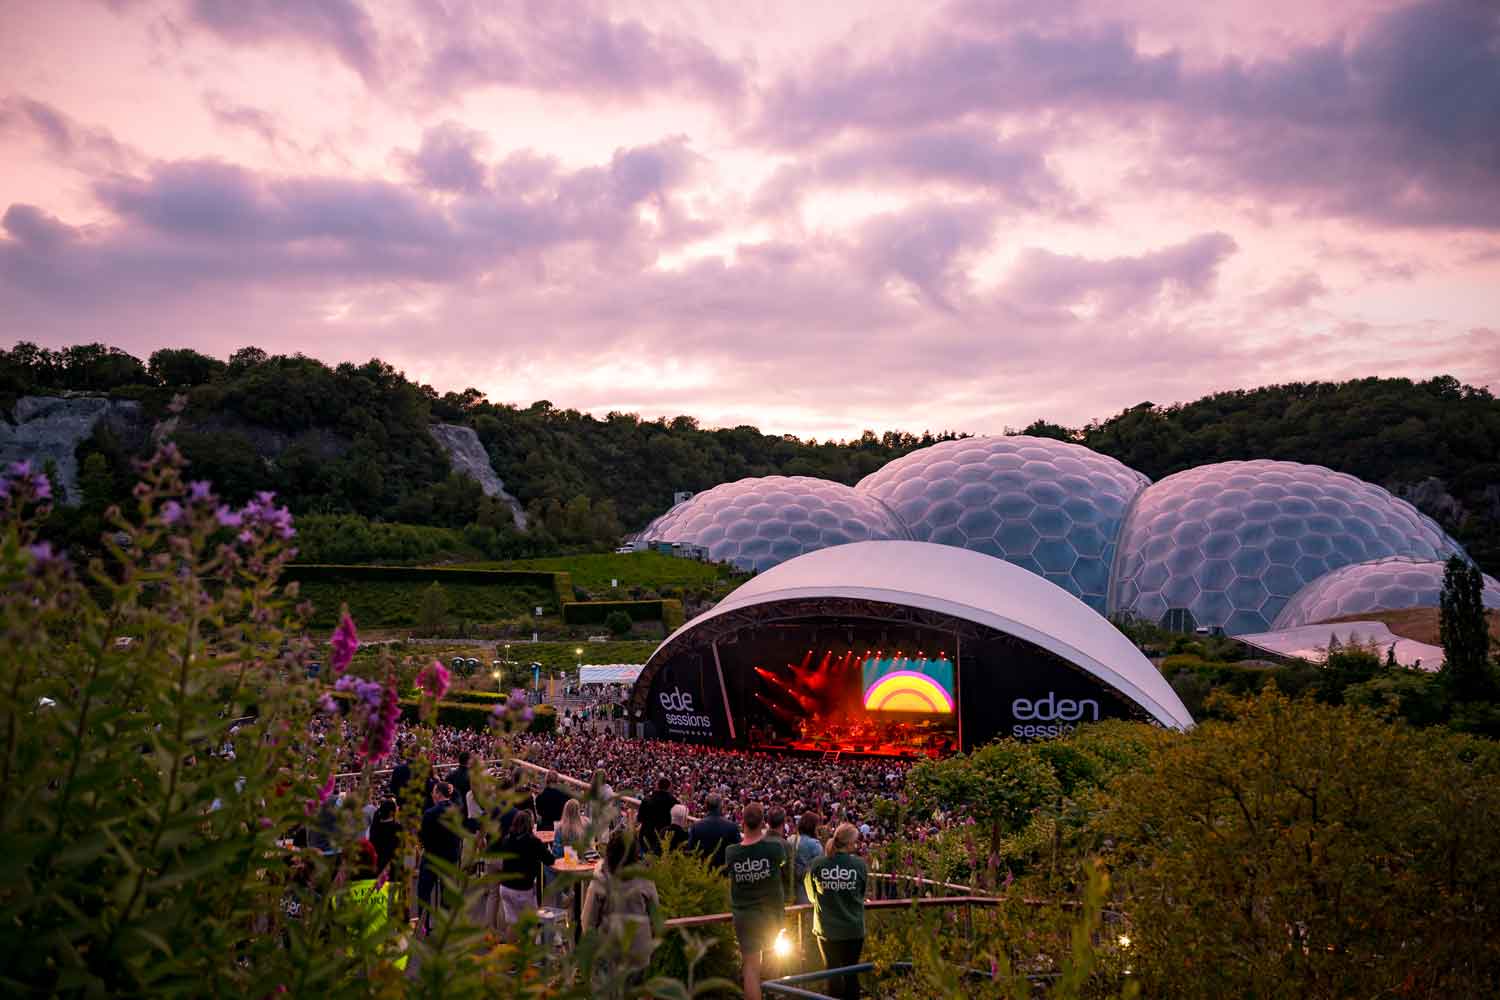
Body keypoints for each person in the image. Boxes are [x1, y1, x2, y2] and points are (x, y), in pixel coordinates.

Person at [724, 803, 787, 1000]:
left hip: (745, 917)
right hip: (772, 917)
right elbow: (783, 862)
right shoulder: (774, 848)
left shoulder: (731, 852)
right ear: (763, 823)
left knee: (751, 969)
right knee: (775, 964)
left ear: (742, 822)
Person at [581, 828, 661, 983]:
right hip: (638, 953)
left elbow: (587, 921)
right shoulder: (645, 879)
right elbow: (655, 917)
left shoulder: (601, 879)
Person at [806, 823, 868, 1000]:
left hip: (827, 930)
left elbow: (811, 895)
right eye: (855, 842)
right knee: (851, 974)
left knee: (832, 974)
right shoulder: (859, 865)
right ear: (849, 844)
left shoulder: (818, 864)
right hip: (853, 929)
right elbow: (861, 894)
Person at [495, 809, 554, 930]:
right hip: (522, 889)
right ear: (531, 824)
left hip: (505, 887)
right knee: (531, 924)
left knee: (513, 924)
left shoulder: (507, 839)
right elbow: (550, 860)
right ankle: (528, 948)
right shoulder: (534, 842)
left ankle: (512, 948)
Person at [417, 782, 462, 933]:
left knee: (424, 891)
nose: (432, 794)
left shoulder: (430, 813)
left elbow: (423, 836)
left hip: (432, 856)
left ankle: (424, 924)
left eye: (434, 792)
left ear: (438, 794)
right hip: (450, 856)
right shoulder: (456, 811)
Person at [687, 793, 740, 869]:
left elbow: (690, 850)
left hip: (700, 872)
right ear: (720, 806)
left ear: (706, 806)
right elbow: (737, 852)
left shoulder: (696, 826)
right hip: (723, 873)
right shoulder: (732, 827)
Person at [637, 777, 678, 854]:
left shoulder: (647, 799)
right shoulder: (674, 802)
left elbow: (639, 818)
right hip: (663, 839)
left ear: (657, 786)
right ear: (669, 787)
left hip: (646, 836)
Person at [790, 811, 822, 905]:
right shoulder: (815, 845)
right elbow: (819, 869)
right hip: (808, 891)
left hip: (791, 889)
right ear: (813, 826)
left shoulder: (790, 840)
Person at [368, 797, 401, 876]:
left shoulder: (375, 826)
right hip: (391, 866)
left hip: (377, 864)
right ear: (391, 812)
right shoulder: (396, 828)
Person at [448, 751, 473, 820]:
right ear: (469, 761)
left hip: (454, 807)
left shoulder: (451, 775)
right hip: (469, 808)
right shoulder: (472, 775)